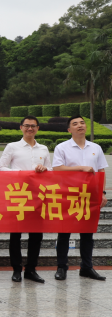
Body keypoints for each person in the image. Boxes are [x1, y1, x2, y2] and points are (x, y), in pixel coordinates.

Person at [52, 115, 109, 281]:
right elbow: (57, 168)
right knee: (64, 233)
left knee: (87, 234)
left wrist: (102, 193)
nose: (80, 125)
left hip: (89, 195)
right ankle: (61, 267)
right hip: (67, 194)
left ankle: (86, 267)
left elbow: (101, 171)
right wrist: (80, 168)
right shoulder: (62, 147)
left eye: (82, 123)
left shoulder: (96, 148)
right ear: (69, 130)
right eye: (75, 124)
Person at [0, 116, 52, 283]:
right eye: (27, 126)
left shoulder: (43, 149)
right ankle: (16, 269)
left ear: (38, 128)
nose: (30, 129)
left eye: (33, 126)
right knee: (16, 235)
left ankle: (31, 269)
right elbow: (1, 167)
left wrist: (44, 169)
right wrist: (20, 174)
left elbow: (51, 170)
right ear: (21, 127)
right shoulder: (12, 146)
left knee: (36, 235)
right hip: (18, 195)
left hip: (38, 196)